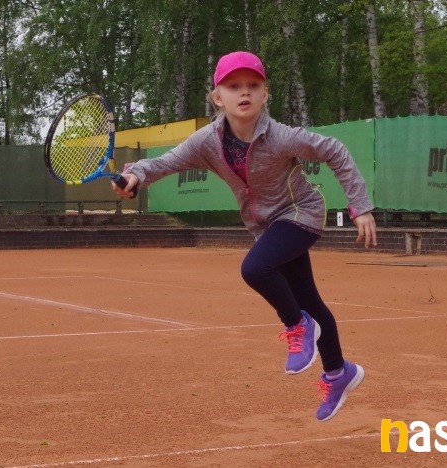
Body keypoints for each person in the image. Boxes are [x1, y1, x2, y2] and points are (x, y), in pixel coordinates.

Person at [113, 51, 377, 421]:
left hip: (300, 213)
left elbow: (335, 150)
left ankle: (297, 325)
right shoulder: (207, 142)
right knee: (310, 301)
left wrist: (359, 206)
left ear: (265, 94)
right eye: (234, 86)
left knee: (255, 269)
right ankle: (338, 373)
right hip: (265, 226)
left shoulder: (282, 137)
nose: (244, 92)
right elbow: (165, 162)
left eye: (253, 85)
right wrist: (136, 175)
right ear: (217, 97)